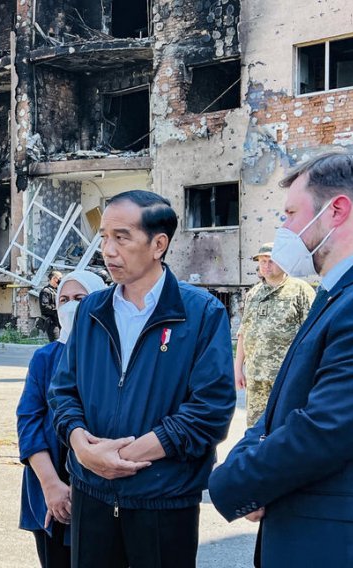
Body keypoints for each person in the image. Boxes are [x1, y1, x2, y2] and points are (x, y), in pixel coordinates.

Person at [209, 152, 353, 567]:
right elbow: (279, 410)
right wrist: (249, 456)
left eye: (291, 213)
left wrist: (233, 482)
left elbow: (326, 429)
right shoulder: (344, 290)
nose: (283, 228)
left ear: (337, 211)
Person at [48, 190, 236, 568]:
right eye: (103, 237)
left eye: (122, 237)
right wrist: (82, 448)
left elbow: (210, 411)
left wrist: (120, 456)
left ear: (158, 244)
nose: (108, 249)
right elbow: (63, 392)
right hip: (92, 496)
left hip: (163, 500)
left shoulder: (200, 313)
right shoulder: (91, 311)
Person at [17, 270, 107, 568]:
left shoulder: (116, 356)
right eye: (64, 299)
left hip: (100, 489)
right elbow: (28, 423)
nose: (70, 306)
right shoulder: (46, 358)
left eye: (80, 299)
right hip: (51, 485)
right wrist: (51, 485)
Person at [235, 242, 315, 426]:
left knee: (286, 426)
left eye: (270, 261)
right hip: (256, 379)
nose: (265, 265)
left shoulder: (300, 291)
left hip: (287, 377)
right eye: (262, 261)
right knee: (256, 430)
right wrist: (238, 368)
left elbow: (312, 335)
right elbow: (244, 332)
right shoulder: (253, 293)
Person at [38, 270, 62, 341]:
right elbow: (44, 307)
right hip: (52, 323)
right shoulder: (46, 291)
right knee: (55, 343)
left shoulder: (58, 290)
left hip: (60, 321)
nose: (61, 280)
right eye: (60, 278)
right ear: (55, 279)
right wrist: (58, 310)